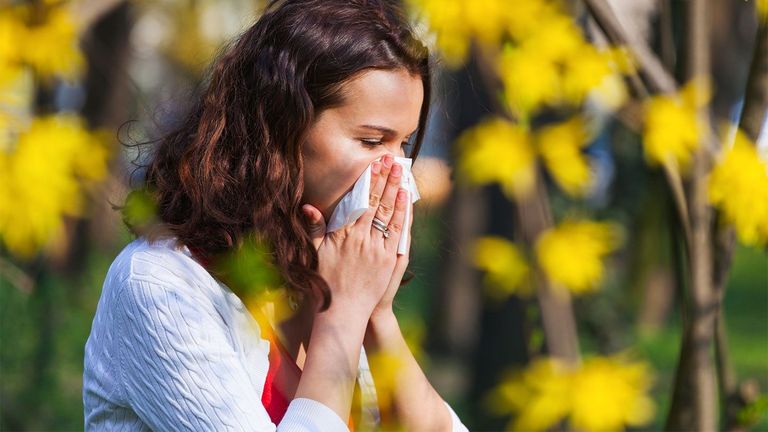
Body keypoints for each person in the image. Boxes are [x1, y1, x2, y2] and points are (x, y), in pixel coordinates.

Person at [83, 0, 469, 431]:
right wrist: (342, 315)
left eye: (404, 145)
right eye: (372, 141)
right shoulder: (159, 285)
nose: (397, 175)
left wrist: (376, 313)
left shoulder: (327, 281)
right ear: (281, 127)